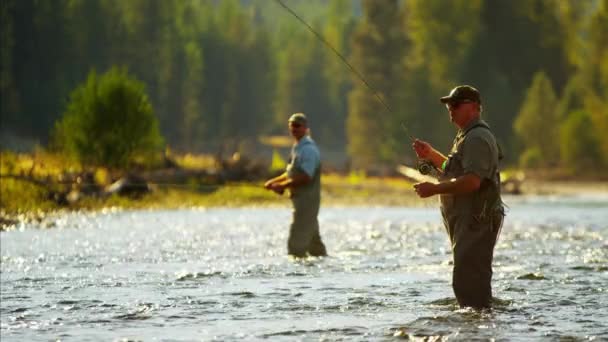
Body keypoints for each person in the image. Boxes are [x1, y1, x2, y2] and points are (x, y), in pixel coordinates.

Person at [412, 85, 504, 309]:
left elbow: (472, 181)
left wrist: (433, 189)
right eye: (448, 106)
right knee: (467, 279)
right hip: (468, 220)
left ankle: (479, 326)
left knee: (468, 280)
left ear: (474, 108)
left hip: (476, 219)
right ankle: (478, 322)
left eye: (456, 104)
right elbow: (455, 170)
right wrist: (432, 155)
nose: (450, 109)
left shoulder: (477, 138)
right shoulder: (466, 136)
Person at [264, 113, 327, 258]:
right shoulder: (298, 147)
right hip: (300, 203)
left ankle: (298, 279)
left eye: (297, 125)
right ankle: (325, 274)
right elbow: (291, 173)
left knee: (295, 247)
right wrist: (274, 182)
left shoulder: (309, 150)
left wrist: (282, 186)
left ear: (305, 128)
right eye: (292, 125)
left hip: (307, 204)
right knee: (315, 247)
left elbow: (306, 176)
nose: (294, 129)